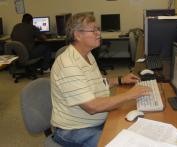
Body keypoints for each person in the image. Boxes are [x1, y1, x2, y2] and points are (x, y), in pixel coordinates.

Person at [50, 12, 151, 147]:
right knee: (124, 144)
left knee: (136, 131)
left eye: (98, 29)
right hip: (74, 130)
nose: (99, 33)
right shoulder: (68, 64)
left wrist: (120, 80)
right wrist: (130, 95)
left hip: (94, 121)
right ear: (77, 35)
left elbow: (96, 83)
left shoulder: (87, 54)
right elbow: (92, 107)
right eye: (93, 30)